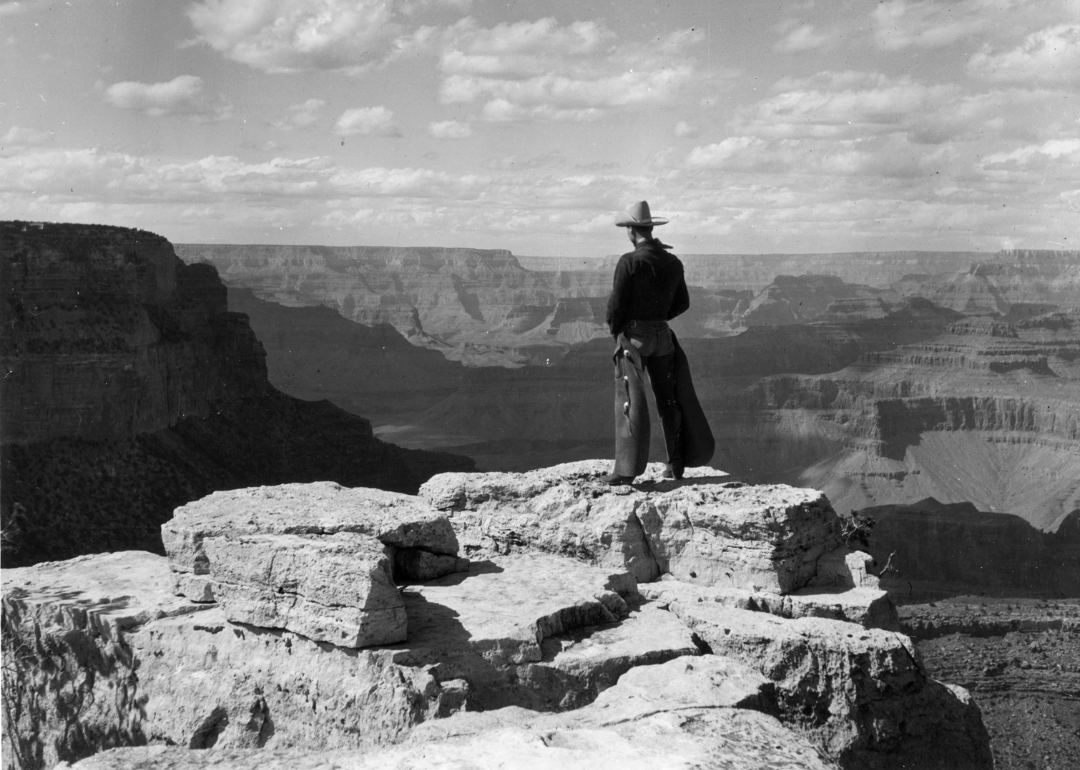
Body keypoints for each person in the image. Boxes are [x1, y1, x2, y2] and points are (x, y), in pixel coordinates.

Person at [601, 200, 713, 485]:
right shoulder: (673, 261)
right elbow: (683, 303)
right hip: (663, 338)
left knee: (628, 400)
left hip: (635, 339)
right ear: (650, 228)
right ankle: (675, 464)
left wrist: (619, 332)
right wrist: (660, 318)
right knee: (669, 400)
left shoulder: (630, 261)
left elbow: (616, 305)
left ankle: (625, 471)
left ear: (631, 230)